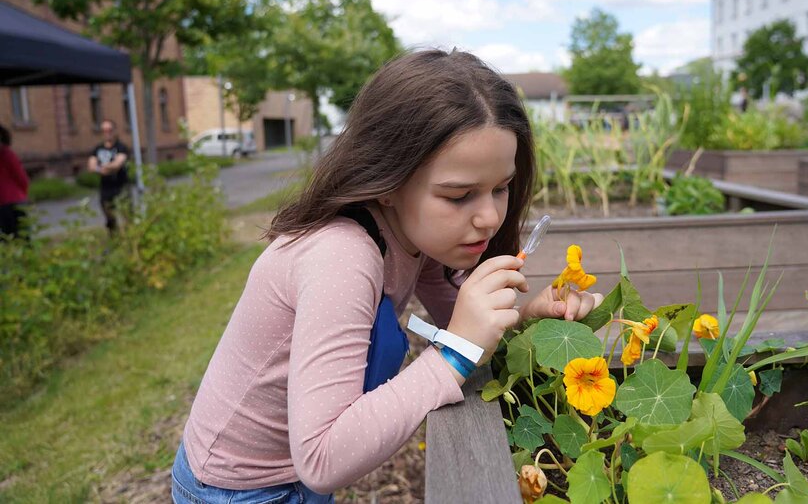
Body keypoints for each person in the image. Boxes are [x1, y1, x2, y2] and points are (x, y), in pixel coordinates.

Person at [171, 50, 605, 503]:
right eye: (459, 195)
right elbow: (322, 459)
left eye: (501, 188)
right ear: (389, 180)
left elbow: (467, 324)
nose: (490, 217)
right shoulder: (341, 256)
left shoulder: (419, 239)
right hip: (237, 489)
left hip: (285, 477)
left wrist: (532, 319)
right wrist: (453, 354)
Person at [88, 120, 129, 233]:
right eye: (104, 131)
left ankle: (131, 239)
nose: (107, 133)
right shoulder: (98, 149)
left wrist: (101, 167)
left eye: (109, 130)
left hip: (121, 187)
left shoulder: (121, 147)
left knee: (127, 216)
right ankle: (114, 239)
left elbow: (117, 164)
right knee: (110, 218)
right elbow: (91, 166)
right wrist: (105, 168)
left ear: (114, 131)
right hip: (106, 189)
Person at [0, 123, 30, 239]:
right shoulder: (8, 153)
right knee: (21, 237)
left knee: (8, 238)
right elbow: (22, 178)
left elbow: (21, 177)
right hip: (15, 201)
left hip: (11, 203)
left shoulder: (7, 154)